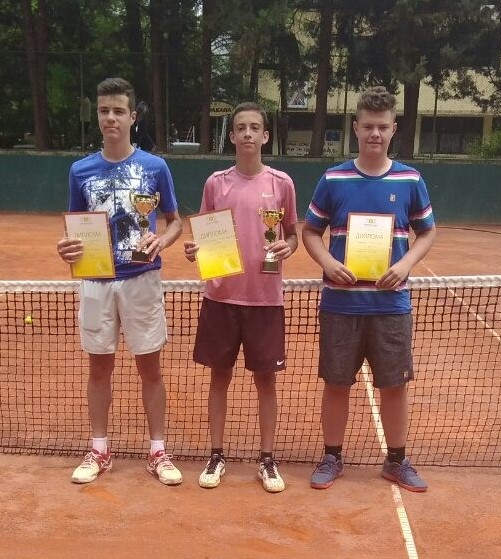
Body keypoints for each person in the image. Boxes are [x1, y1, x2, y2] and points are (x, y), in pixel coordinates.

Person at [302, 86, 436, 493]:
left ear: (393, 129)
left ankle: (396, 460)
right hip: (340, 305)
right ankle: (332, 456)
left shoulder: (410, 179)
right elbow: (310, 231)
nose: (375, 133)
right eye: (368, 126)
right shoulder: (333, 178)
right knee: (336, 383)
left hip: (391, 306)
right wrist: (328, 263)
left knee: (394, 386)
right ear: (355, 128)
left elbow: (427, 232)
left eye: (382, 126)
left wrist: (405, 264)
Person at [57, 77, 183, 486]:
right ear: (97, 116)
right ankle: (99, 449)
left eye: (118, 111)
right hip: (96, 282)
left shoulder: (155, 167)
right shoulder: (80, 170)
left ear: (133, 117)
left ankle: (158, 451)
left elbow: (175, 221)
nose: (110, 118)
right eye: (103, 111)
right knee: (99, 369)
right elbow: (75, 226)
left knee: (151, 368)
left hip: (142, 279)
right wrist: (66, 247)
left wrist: (162, 241)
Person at [184, 102, 298, 493]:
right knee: (220, 377)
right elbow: (204, 232)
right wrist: (195, 251)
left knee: (266, 382)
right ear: (231, 136)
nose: (247, 133)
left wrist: (288, 247)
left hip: (265, 300)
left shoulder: (282, 183)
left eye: (254, 127)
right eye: (240, 128)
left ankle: (267, 459)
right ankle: (216, 454)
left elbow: (293, 234)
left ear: (265, 136)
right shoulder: (216, 183)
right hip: (221, 298)